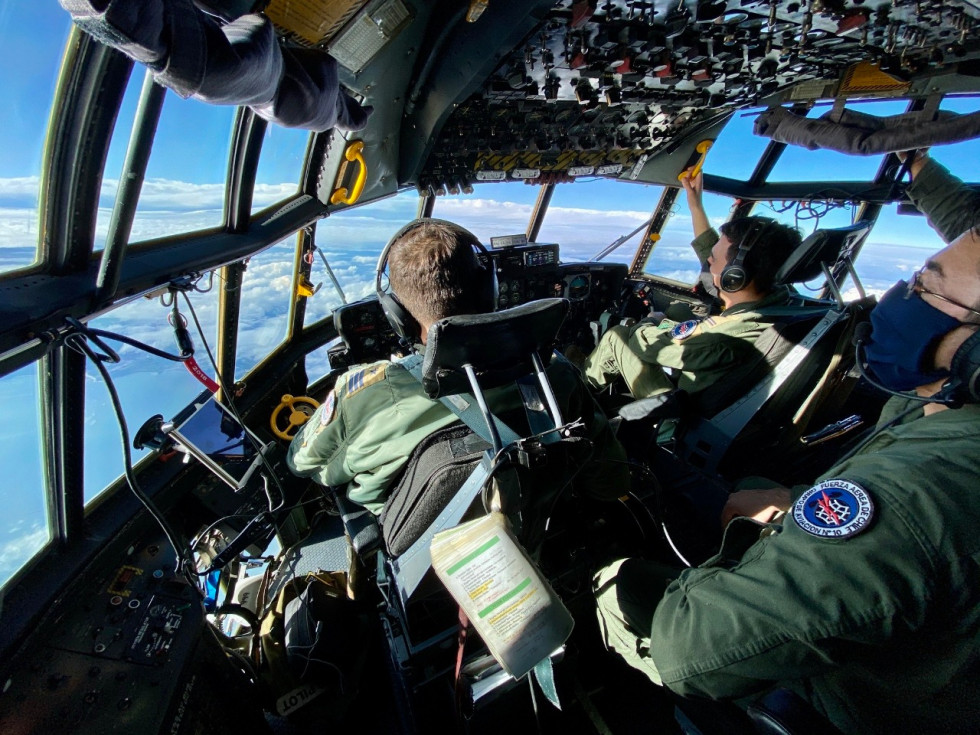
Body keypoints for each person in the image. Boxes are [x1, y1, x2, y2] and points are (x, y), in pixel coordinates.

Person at [593, 152, 980, 734]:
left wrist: (601, 576)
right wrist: (799, 502)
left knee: (601, 578)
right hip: (886, 615)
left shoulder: (911, 494)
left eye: (928, 285)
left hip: (822, 702)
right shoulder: (934, 405)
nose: (904, 291)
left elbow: (688, 653)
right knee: (747, 491)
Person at [286, 218, 628, 514]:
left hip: (423, 561)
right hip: (540, 527)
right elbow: (609, 481)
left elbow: (302, 464)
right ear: (492, 289)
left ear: (398, 317)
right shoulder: (557, 374)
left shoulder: (362, 393)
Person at [583, 170, 805, 412]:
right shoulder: (781, 296)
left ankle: (578, 391)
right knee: (678, 310)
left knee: (618, 337)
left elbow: (648, 345)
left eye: (712, 260)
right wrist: (695, 204)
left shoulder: (721, 337)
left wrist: (647, 324)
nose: (707, 263)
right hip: (716, 384)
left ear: (734, 277)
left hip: (680, 413)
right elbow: (717, 254)